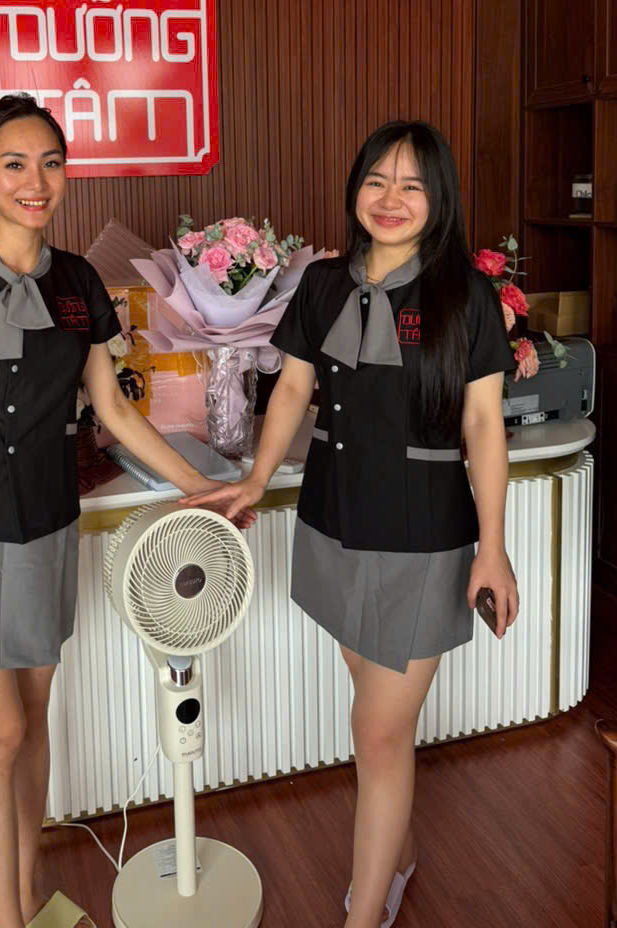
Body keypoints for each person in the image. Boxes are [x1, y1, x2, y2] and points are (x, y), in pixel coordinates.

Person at [0, 95, 248, 928]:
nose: (35, 181)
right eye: (14, 164)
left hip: (44, 522)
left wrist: (199, 489)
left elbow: (113, 413)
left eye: (50, 163)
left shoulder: (79, 283)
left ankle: (26, 893)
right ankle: (5, 920)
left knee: (34, 721)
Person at [187, 120, 519, 928]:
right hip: (332, 521)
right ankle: (399, 854)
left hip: (425, 535)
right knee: (372, 714)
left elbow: (483, 426)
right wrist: (256, 478)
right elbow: (292, 390)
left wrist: (494, 550)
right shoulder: (323, 285)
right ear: (355, 190)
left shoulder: (466, 298)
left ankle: (362, 915)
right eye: (376, 180)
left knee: (377, 732)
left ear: (439, 199)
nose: (391, 198)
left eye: (411, 184)